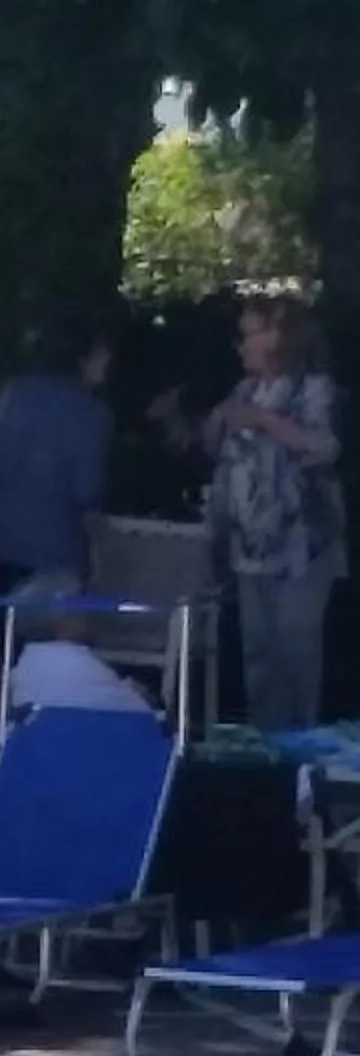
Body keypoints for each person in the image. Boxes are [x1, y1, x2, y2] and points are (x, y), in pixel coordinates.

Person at [180, 294, 343, 733]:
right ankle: (267, 743)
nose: (241, 345)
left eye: (249, 334)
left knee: (295, 647)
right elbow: (218, 452)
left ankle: (303, 748)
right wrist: (215, 424)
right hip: (248, 546)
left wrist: (264, 421)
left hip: (300, 546)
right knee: (258, 652)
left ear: (280, 337)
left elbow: (323, 447)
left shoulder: (312, 388)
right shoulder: (243, 390)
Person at [0, 321, 114, 751]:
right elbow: (87, 490)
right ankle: (39, 744)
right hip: (57, 550)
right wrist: (98, 550)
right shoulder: (89, 413)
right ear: (84, 357)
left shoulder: (8, 397)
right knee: (54, 656)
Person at [2, 594, 155, 735]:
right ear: (63, 619)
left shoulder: (26, 664)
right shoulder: (78, 663)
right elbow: (135, 708)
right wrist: (138, 692)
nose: (87, 619)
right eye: (81, 614)